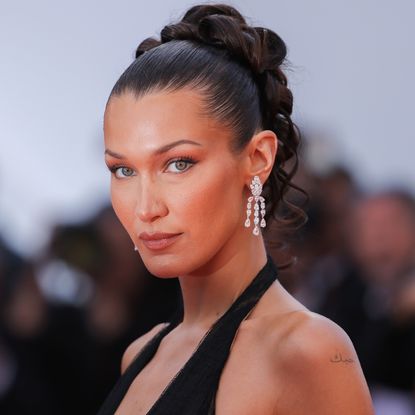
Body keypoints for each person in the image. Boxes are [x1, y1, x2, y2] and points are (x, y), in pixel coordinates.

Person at [97, 4, 374, 414]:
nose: (145, 207)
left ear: (258, 158)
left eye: (178, 164)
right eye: (123, 170)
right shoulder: (140, 354)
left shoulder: (308, 352)